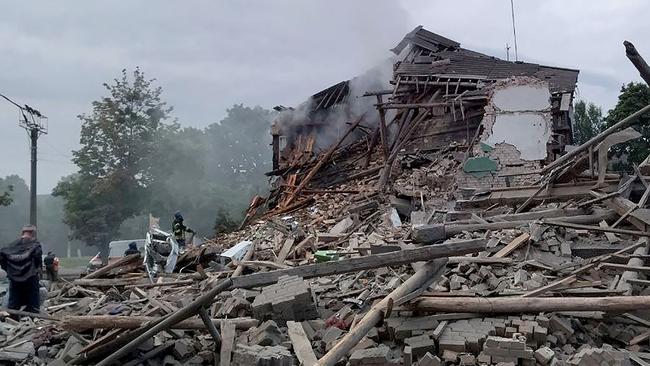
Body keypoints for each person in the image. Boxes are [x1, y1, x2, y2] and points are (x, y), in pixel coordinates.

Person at [0, 225, 43, 313]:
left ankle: (13, 320)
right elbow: (37, 260)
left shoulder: (11, 246)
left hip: (14, 278)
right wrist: (35, 270)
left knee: (13, 302)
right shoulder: (35, 245)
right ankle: (33, 320)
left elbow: (2, 260)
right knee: (33, 304)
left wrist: (10, 271)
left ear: (22, 233)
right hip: (31, 277)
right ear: (33, 233)